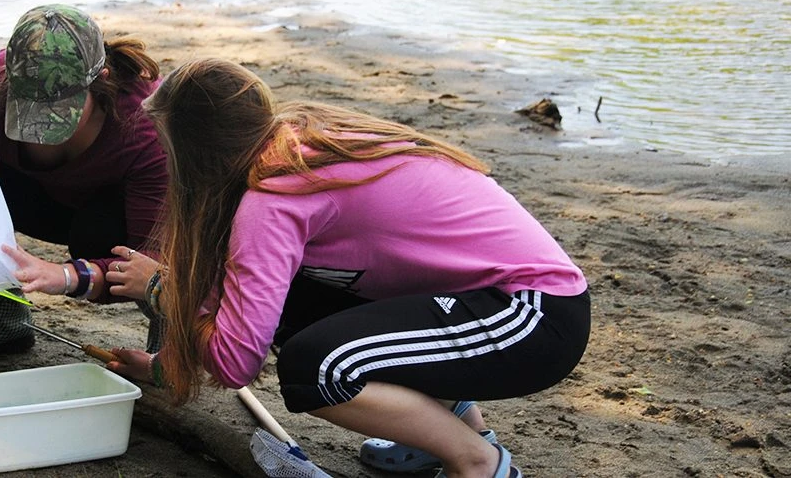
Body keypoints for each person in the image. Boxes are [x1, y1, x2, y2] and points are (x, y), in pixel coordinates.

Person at [105, 59, 590, 478]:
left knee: (318, 368)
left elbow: (236, 363)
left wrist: (159, 290)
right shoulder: (289, 140)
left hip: (533, 315)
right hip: (482, 301)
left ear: (199, 158)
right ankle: (448, 424)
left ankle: (478, 461)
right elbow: (238, 298)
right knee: (296, 302)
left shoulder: (274, 197)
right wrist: (164, 368)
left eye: (169, 154)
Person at [0, 4, 167, 372]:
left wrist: (69, 276)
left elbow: (154, 258)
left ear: (101, 79)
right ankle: (2, 316)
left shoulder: (144, 124)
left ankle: (166, 338)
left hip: (115, 217)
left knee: (103, 238)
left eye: (59, 107)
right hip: (40, 199)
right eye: (28, 104)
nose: (42, 129)